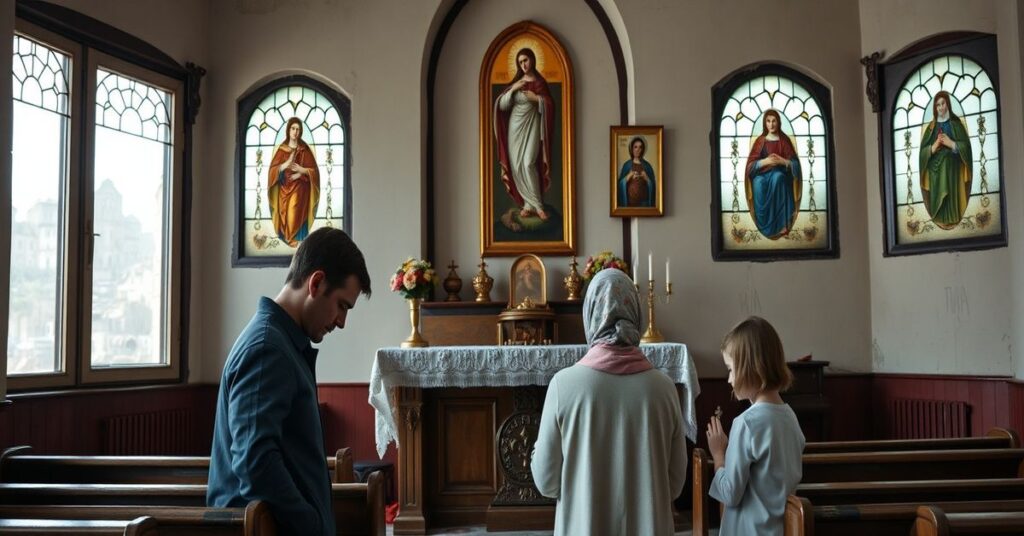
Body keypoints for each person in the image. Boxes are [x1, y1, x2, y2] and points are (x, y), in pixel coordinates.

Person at [207, 227, 371, 535]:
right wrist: (310, 524)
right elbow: (255, 462)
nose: (341, 322)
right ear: (317, 282)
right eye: (342, 305)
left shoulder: (282, 343)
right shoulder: (268, 348)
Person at [530, 268, 687, 536]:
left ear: (590, 313)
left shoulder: (563, 385)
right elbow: (674, 484)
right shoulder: (664, 388)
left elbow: (547, 481)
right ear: (634, 312)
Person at [705, 316, 805, 536]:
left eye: (731, 369)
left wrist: (719, 454)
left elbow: (730, 493)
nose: (729, 379)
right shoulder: (790, 417)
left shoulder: (747, 423)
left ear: (751, 368)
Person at [494, 47, 555, 221]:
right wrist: (513, 89)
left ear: (533, 60)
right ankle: (528, 205)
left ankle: (538, 205)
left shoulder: (540, 83)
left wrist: (537, 99)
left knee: (528, 162)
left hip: (533, 123)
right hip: (515, 126)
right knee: (517, 165)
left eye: (526, 60)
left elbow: (550, 105)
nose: (523, 65)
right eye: (520, 62)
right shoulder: (517, 82)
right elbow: (502, 106)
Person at [919, 90, 973, 229]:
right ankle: (939, 216)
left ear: (948, 104)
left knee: (947, 162)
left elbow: (966, 148)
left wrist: (952, 144)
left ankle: (953, 216)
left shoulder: (956, 124)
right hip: (935, 170)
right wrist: (933, 147)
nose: (941, 107)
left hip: (953, 168)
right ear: (935, 108)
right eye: (938, 105)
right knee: (942, 164)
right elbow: (922, 154)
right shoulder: (931, 128)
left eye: (943, 103)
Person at [745, 109, 802, 238]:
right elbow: (749, 167)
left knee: (778, 178)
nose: (771, 124)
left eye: (774, 121)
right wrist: (764, 162)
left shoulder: (784, 140)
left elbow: (796, 166)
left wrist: (783, 161)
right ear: (765, 123)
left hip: (779, 173)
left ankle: (782, 224)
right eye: (768, 121)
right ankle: (762, 225)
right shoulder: (760, 141)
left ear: (778, 122)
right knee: (758, 183)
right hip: (761, 175)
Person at [269, 117, 320, 247]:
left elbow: (315, 172)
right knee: (284, 215)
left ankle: (293, 237)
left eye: (298, 129)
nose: (295, 132)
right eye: (293, 128)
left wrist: (301, 171)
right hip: (283, 189)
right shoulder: (282, 150)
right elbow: (272, 172)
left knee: (293, 212)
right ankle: (287, 237)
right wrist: (284, 165)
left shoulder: (304, 149)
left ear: (300, 132)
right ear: (288, 130)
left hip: (300, 189)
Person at [617, 136, 656, 207]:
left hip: (644, 204)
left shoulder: (647, 166)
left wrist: (647, 178)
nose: (638, 150)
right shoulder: (627, 165)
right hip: (629, 204)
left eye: (640, 147)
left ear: (643, 150)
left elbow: (654, 186)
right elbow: (619, 185)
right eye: (635, 147)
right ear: (631, 149)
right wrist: (628, 177)